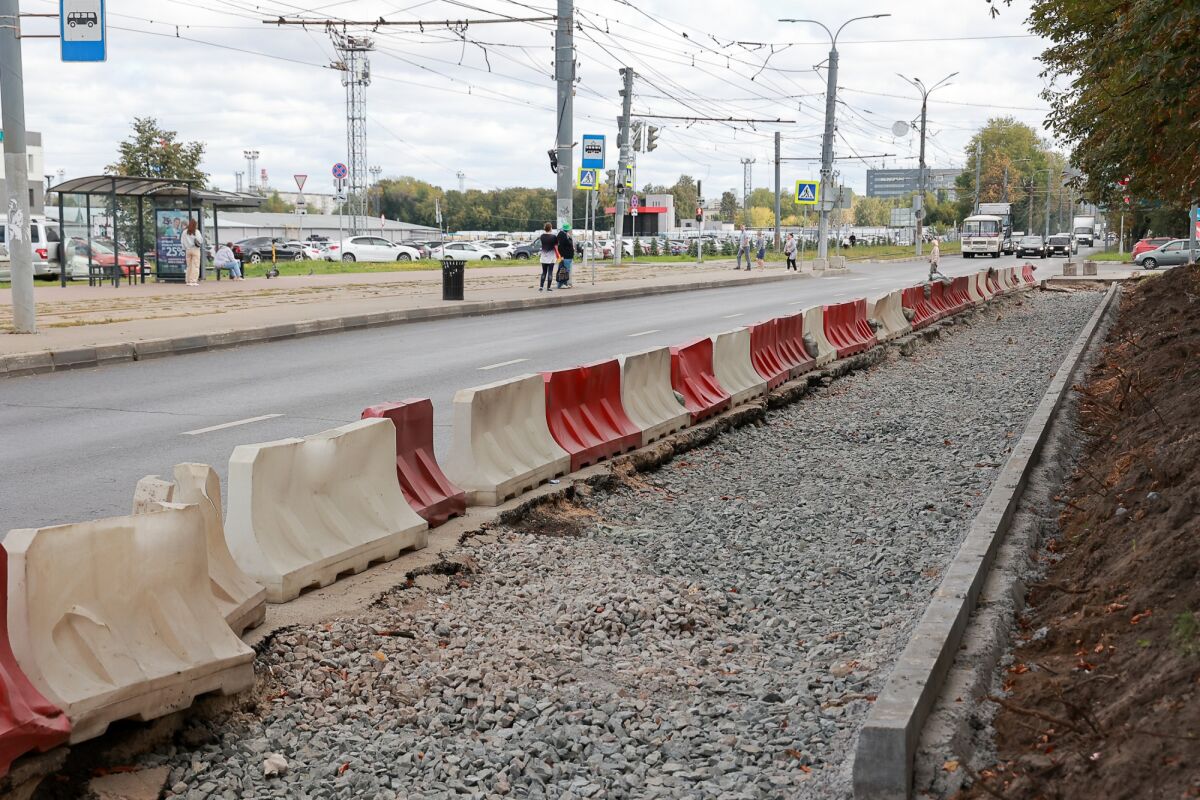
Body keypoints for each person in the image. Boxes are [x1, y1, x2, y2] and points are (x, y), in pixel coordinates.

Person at [180, 218, 204, 286]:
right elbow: (200, 240)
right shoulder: (196, 231)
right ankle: (193, 281)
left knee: (189, 266)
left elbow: (182, 242)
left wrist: (185, 248)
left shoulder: (184, 232)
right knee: (195, 266)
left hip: (187, 250)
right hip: (195, 249)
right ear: (195, 225)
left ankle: (188, 280)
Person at [537, 222, 558, 291]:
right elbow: (556, 245)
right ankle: (548, 287)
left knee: (544, 272)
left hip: (543, 256)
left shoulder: (542, 236)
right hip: (551, 257)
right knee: (550, 272)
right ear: (551, 228)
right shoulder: (554, 237)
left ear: (545, 228)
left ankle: (541, 287)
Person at [555, 224, 575, 288]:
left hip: (565, 256)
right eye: (569, 229)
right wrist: (562, 256)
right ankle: (562, 284)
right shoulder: (563, 235)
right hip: (565, 256)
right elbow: (561, 247)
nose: (569, 230)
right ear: (567, 229)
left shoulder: (562, 234)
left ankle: (562, 284)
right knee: (565, 270)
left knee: (562, 269)